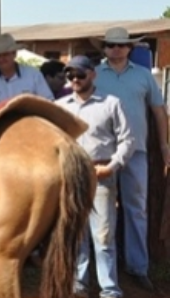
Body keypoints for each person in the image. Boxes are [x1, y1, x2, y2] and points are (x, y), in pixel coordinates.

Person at [93, 27, 169, 291]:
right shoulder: (93, 74)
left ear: (129, 48)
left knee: (136, 209)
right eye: (111, 45)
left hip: (136, 151)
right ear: (104, 48)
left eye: (121, 45)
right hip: (101, 152)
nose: (116, 49)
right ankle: (101, 270)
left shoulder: (144, 76)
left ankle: (138, 267)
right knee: (100, 211)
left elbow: (159, 112)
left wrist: (164, 145)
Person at [55, 56, 134, 298]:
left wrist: (112, 166)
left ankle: (109, 290)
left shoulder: (111, 104)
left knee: (103, 237)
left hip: (101, 174)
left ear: (93, 74)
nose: (75, 79)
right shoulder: (60, 106)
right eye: (70, 75)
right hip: (70, 176)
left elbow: (128, 140)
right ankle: (79, 286)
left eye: (80, 74)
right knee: (76, 235)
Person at [0, 33, 54, 113]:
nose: (1, 59)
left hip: (29, 125)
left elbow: (49, 105)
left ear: (14, 54)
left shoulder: (33, 75)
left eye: (5, 55)